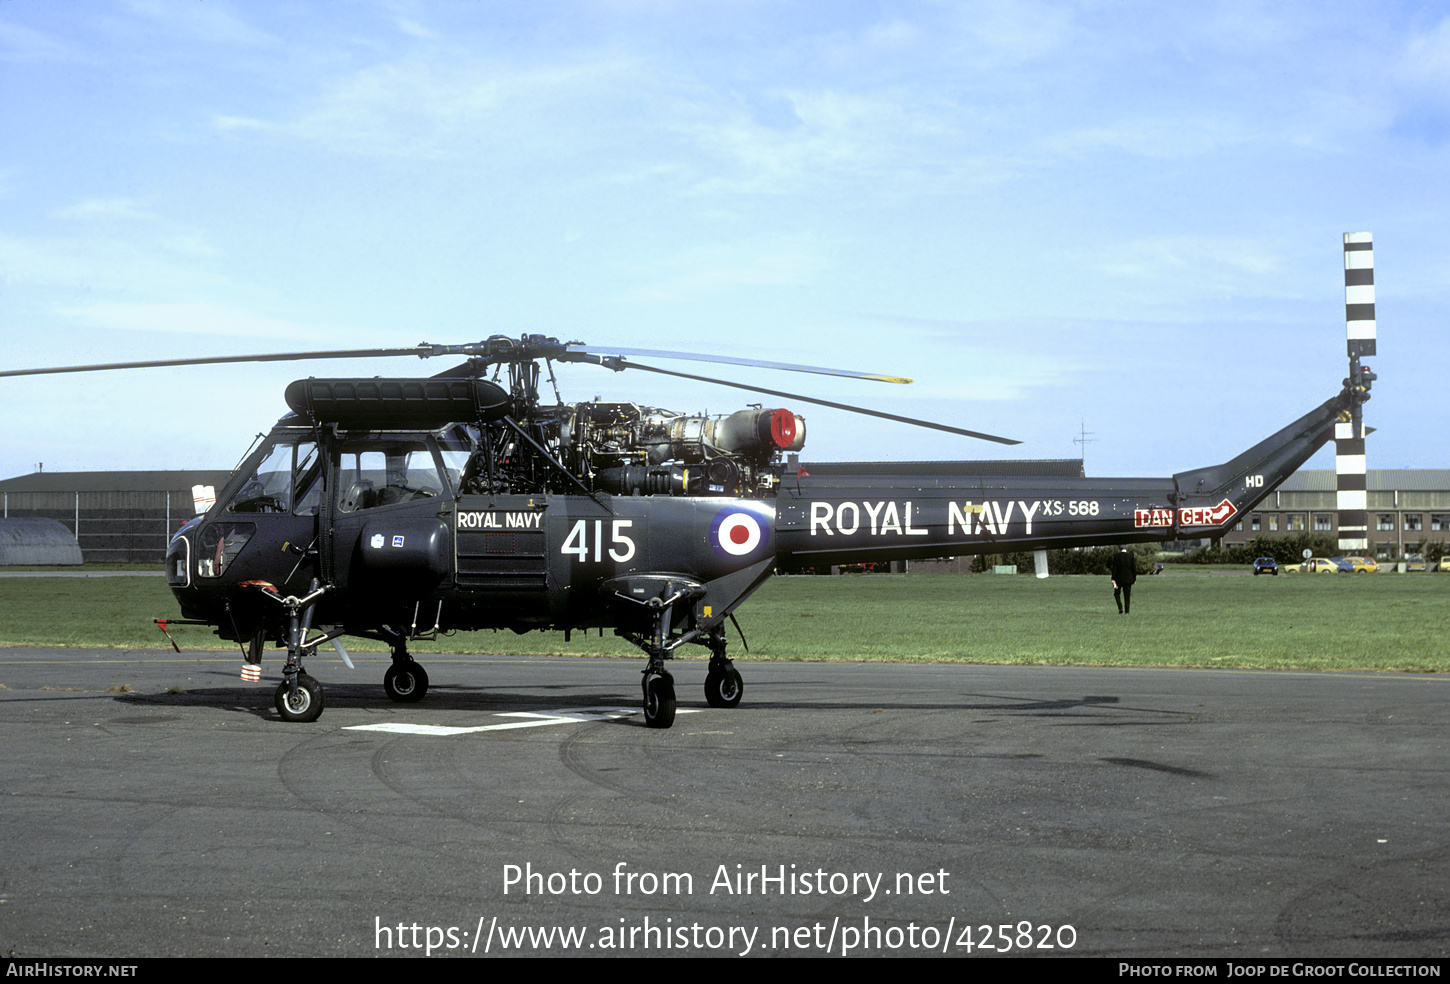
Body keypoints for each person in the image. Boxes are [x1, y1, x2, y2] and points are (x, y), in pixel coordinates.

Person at [1111, 545, 1137, 614]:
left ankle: (1120, 608)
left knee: (1116, 594)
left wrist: (1113, 578)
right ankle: (1127, 611)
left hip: (1118, 579)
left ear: (1120, 548)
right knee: (1127, 596)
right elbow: (1133, 568)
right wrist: (1134, 579)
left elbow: (1114, 568)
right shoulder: (1131, 556)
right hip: (1128, 579)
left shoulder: (1116, 556)